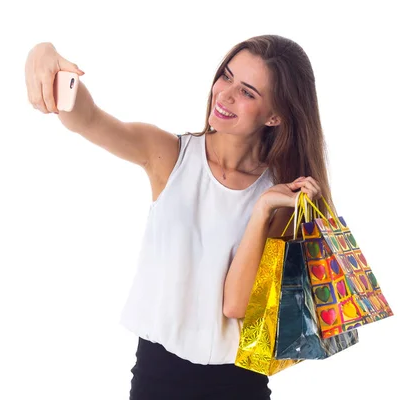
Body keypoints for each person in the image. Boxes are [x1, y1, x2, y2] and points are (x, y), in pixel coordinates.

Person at [25, 35, 334, 400]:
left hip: (239, 384)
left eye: (248, 92)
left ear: (275, 115)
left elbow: (235, 306)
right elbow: (88, 120)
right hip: (159, 376)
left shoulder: (280, 195)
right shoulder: (168, 155)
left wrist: (263, 210)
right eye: (226, 76)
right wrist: (41, 54)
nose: (225, 94)